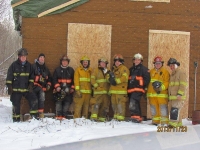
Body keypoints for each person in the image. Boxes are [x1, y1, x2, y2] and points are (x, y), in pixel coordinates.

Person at [6, 48, 38, 122]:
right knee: (15, 103)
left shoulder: (29, 66)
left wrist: (30, 85)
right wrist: (9, 87)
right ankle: (16, 119)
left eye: (24, 56)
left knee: (34, 99)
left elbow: (31, 77)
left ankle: (34, 118)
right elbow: (9, 78)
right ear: (19, 57)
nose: (23, 58)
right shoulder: (13, 66)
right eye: (22, 56)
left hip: (27, 89)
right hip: (16, 90)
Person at [127, 53, 150, 123]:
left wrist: (140, 85)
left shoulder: (144, 69)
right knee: (135, 103)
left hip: (138, 90)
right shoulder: (131, 69)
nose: (137, 61)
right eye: (135, 60)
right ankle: (137, 117)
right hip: (131, 90)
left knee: (133, 102)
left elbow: (147, 80)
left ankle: (136, 117)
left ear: (141, 61)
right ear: (133, 61)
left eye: (138, 60)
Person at [147, 56, 169, 126]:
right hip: (152, 94)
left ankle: (164, 122)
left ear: (162, 64)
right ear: (154, 64)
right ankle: (155, 121)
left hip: (161, 94)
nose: (158, 64)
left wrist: (161, 88)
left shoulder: (165, 72)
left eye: (159, 63)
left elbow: (167, 82)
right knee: (153, 108)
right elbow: (148, 82)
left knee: (163, 108)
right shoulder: (151, 72)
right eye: (156, 63)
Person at [106, 54, 129, 121]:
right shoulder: (113, 69)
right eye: (116, 61)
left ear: (122, 62)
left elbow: (124, 78)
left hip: (121, 91)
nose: (117, 62)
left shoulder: (124, 69)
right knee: (114, 105)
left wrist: (116, 81)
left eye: (119, 61)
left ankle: (120, 118)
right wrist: (110, 80)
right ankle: (116, 117)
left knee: (120, 105)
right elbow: (107, 77)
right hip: (113, 91)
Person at [53, 55, 75, 120]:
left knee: (66, 105)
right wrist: (57, 87)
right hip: (59, 91)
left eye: (66, 61)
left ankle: (64, 118)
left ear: (68, 62)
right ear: (61, 62)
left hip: (68, 92)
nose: (64, 63)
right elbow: (54, 79)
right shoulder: (57, 70)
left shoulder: (71, 70)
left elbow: (74, 81)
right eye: (63, 61)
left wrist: (72, 88)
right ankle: (58, 118)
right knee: (58, 104)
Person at [167, 58, 187, 127]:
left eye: (172, 65)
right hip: (173, 97)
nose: (171, 67)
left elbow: (183, 85)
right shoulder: (172, 74)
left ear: (176, 65)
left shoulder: (181, 73)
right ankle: (179, 124)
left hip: (178, 96)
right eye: (170, 65)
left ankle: (172, 125)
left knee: (174, 110)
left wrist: (179, 94)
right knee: (176, 111)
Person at [90, 57, 110, 122]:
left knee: (104, 106)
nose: (103, 64)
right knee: (96, 105)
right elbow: (92, 79)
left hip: (106, 93)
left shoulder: (108, 71)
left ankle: (102, 118)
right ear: (99, 63)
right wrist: (97, 87)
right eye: (102, 63)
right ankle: (94, 117)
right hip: (98, 92)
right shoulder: (96, 70)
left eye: (104, 63)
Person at [32, 53, 52, 119]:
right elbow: (30, 76)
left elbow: (50, 78)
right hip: (34, 87)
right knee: (34, 100)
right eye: (40, 57)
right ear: (38, 58)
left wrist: (48, 84)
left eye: (43, 57)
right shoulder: (33, 66)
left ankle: (40, 114)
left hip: (42, 88)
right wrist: (37, 78)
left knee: (42, 100)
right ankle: (33, 115)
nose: (42, 59)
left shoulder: (46, 69)